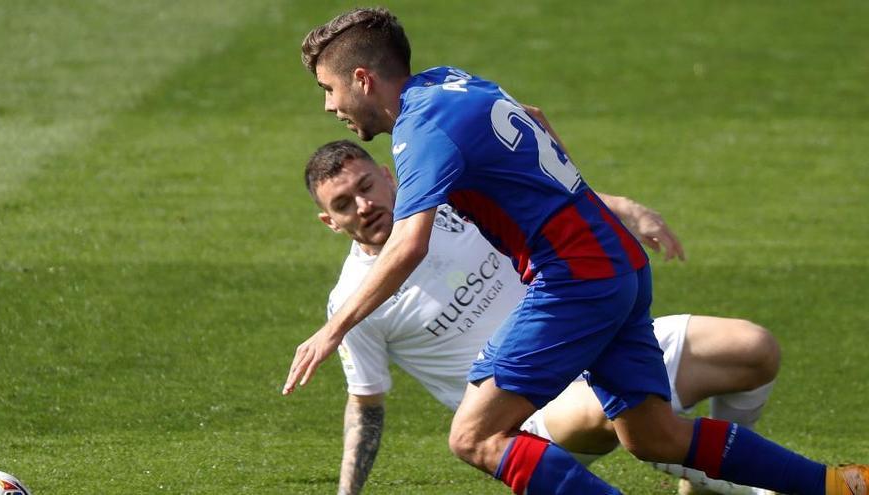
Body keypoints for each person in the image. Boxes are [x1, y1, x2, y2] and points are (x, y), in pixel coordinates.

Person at [285, 7, 868, 494]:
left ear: (362, 79)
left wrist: (334, 328)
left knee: (474, 437)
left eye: (329, 89)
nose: (329, 106)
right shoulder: (451, 81)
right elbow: (532, 120)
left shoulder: (422, 130)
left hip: (574, 277)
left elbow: (409, 243)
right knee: (655, 437)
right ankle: (842, 486)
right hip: (612, 261)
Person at [304, 139, 780, 495]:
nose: (364, 206)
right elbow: (365, 405)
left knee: (752, 350)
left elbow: (549, 199)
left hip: (592, 335)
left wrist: (627, 210)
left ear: (388, 176)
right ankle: (752, 482)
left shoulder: (454, 201)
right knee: (608, 403)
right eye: (343, 204)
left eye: (366, 186)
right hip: (527, 411)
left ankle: (703, 482)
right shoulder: (353, 300)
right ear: (330, 222)